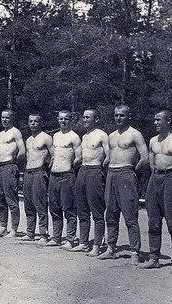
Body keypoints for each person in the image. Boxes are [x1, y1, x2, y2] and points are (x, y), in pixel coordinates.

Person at [138, 110, 172, 273]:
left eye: (158, 120)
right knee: (153, 221)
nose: (155, 123)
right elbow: (152, 163)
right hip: (155, 180)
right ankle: (154, 258)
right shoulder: (153, 140)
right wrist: (156, 177)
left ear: (168, 120)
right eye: (154, 120)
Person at [98, 105, 148, 265]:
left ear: (129, 116)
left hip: (126, 174)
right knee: (110, 214)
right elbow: (108, 157)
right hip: (111, 174)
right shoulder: (111, 136)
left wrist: (132, 170)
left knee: (130, 215)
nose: (118, 118)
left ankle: (134, 251)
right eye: (116, 115)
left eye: (121, 115)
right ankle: (111, 248)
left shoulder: (135, 134)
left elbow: (145, 157)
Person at [73, 109, 109, 255]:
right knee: (82, 210)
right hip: (82, 171)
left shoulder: (102, 135)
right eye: (84, 117)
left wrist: (100, 169)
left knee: (97, 211)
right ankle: (83, 243)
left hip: (95, 171)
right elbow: (81, 157)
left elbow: (109, 155)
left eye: (88, 117)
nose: (85, 119)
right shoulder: (84, 136)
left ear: (97, 119)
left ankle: (96, 245)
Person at [47, 110, 81, 249]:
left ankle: (70, 239)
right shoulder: (54, 136)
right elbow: (54, 155)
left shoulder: (74, 137)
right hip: (53, 176)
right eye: (61, 118)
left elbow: (79, 157)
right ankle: (56, 238)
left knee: (69, 209)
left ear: (70, 120)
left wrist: (70, 167)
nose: (63, 121)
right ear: (57, 119)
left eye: (66, 118)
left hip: (67, 176)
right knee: (54, 208)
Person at [0, 109, 25, 238]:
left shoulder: (15, 132)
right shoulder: (0, 134)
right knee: (0, 199)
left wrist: (13, 161)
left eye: (7, 118)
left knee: (11, 198)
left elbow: (22, 150)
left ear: (12, 118)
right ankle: (3, 227)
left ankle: (14, 229)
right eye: (2, 117)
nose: (4, 120)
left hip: (9, 167)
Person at [20, 113, 52, 243]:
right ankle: (30, 232)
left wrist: (45, 170)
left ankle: (43, 234)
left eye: (36, 121)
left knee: (40, 203)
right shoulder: (28, 140)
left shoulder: (46, 138)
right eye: (30, 121)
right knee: (28, 204)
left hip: (39, 172)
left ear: (41, 123)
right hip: (28, 173)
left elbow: (54, 156)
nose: (33, 123)